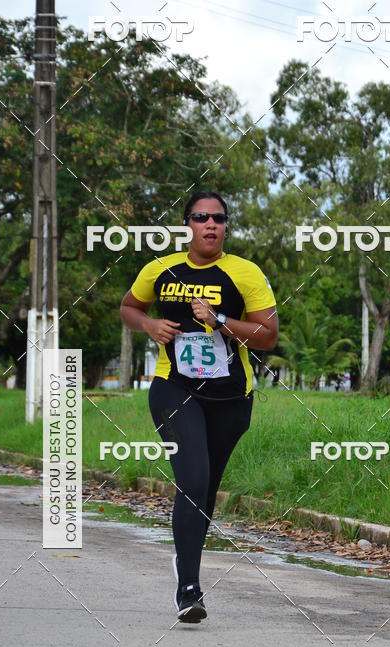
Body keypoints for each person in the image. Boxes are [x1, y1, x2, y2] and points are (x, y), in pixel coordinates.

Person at [120, 191, 279, 623]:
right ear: (187, 224)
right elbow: (129, 308)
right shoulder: (161, 269)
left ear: (227, 226)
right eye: (200, 217)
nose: (210, 224)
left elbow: (267, 336)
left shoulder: (245, 273)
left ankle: (184, 561)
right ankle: (189, 587)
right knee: (193, 478)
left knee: (205, 490)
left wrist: (222, 321)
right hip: (174, 388)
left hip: (230, 397)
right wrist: (150, 324)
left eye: (219, 218)